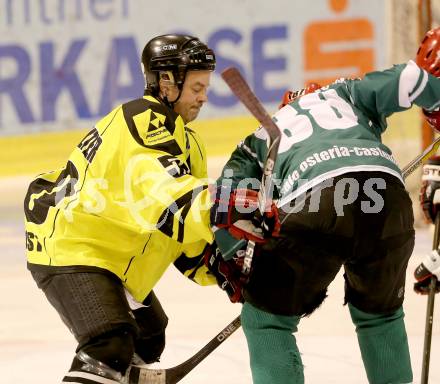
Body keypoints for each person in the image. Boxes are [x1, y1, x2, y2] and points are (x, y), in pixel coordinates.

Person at [208, 27, 440, 384]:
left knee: (267, 318)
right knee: (381, 317)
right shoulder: (345, 91)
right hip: (388, 193)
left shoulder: (260, 135)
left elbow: (227, 202)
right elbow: (411, 78)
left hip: (319, 199)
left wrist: (236, 260)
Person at [24, 34, 218, 384]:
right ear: (166, 83)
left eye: (206, 87)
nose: (204, 97)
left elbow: (186, 232)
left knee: (148, 334)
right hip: (72, 245)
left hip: (105, 255)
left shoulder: (190, 143)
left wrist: (226, 265)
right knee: (108, 343)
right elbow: (172, 198)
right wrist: (228, 208)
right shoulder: (143, 118)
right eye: (196, 87)